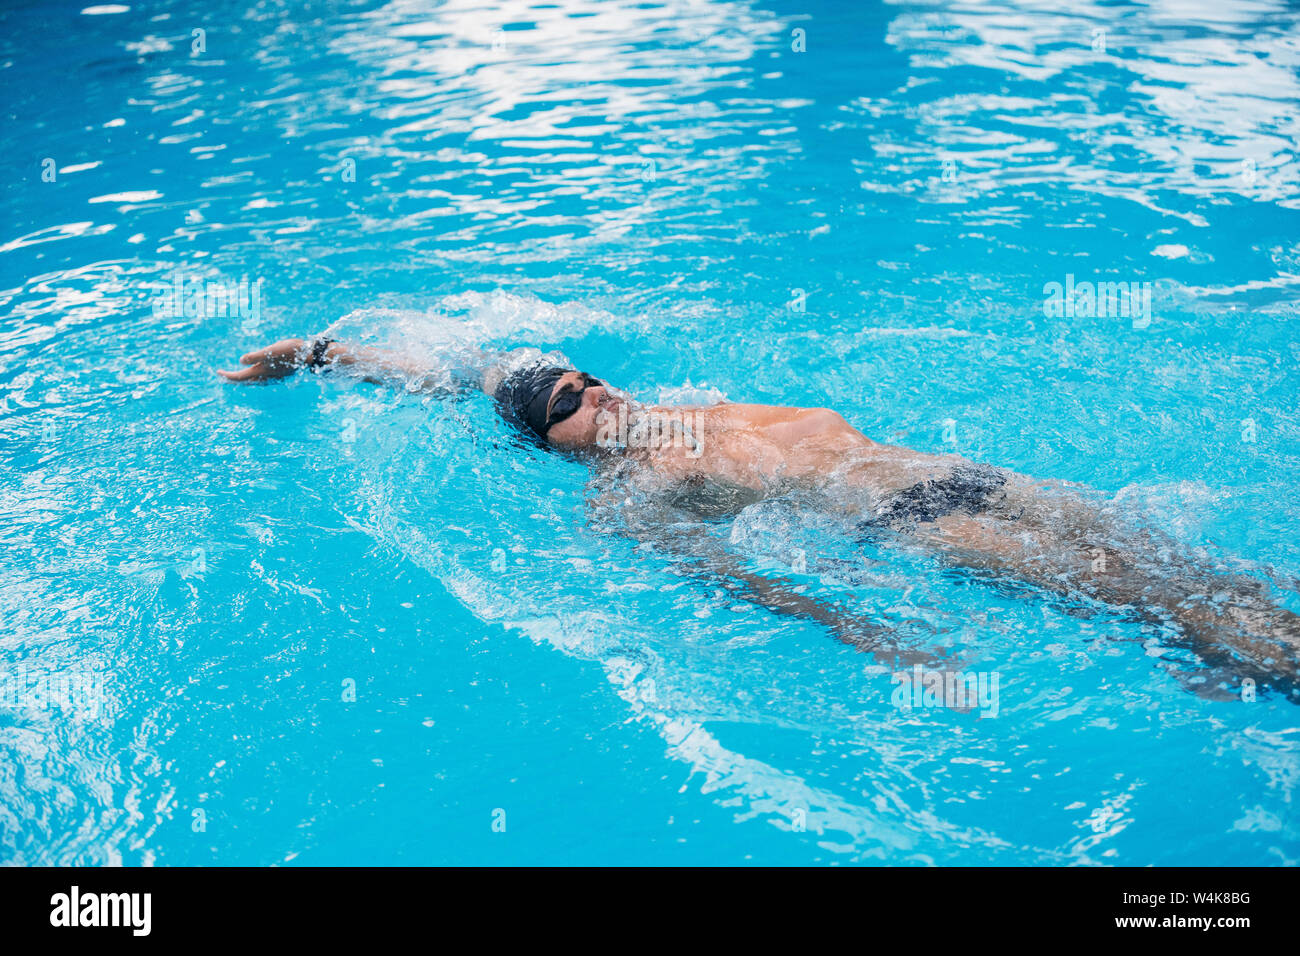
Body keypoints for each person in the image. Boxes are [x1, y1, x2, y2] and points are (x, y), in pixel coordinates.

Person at [218, 334, 1300, 698]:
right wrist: (867, 632)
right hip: (915, 523)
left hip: (955, 469)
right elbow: (743, 586)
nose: (590, 396)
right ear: (547, 446)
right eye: (565, 407)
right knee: (1146, 596)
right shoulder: (634, 493)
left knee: (1190, 565)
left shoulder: (684, 403)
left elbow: (461, 373)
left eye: (587, 380)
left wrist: (323, 353)